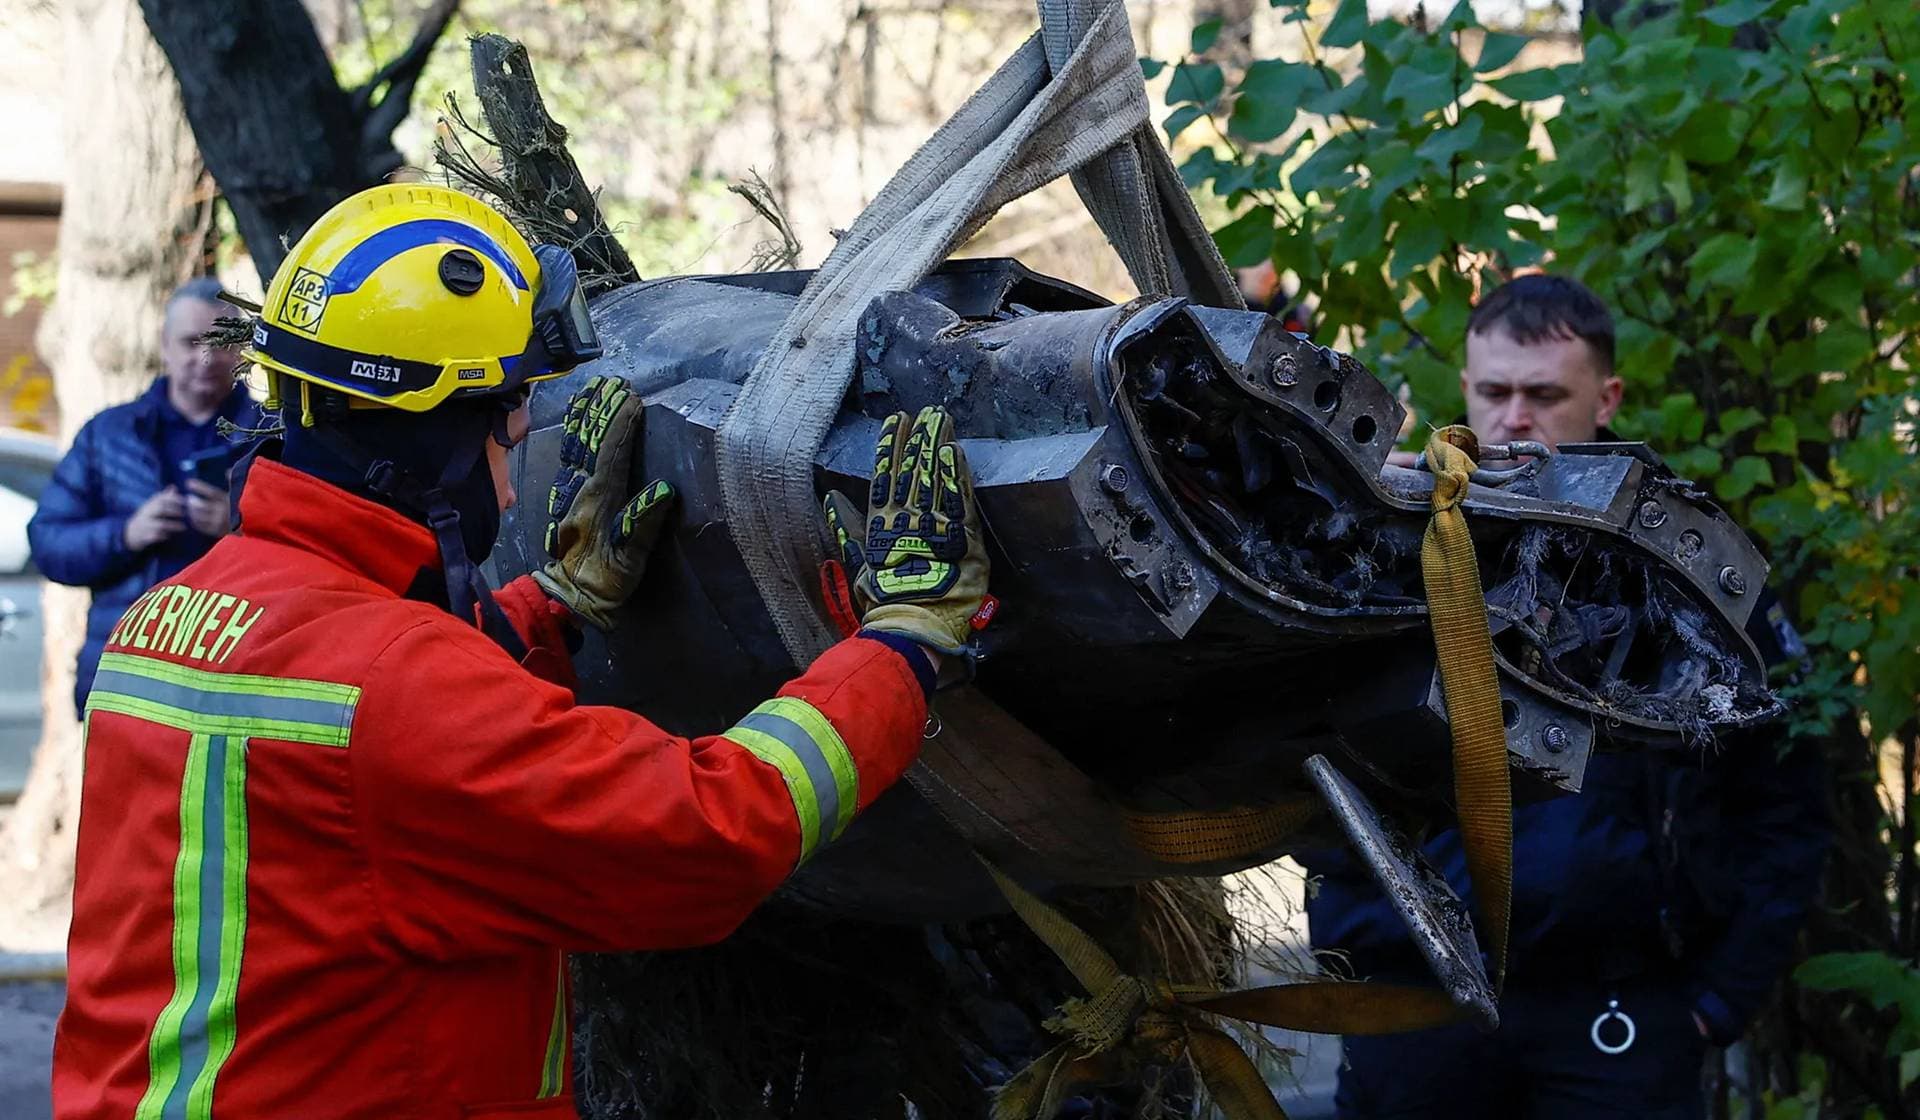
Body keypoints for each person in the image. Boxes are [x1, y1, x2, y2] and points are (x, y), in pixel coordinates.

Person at [51, 185, 991, 1120]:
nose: (512, 466)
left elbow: (376, 765)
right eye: (509, 428)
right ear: (435, 438)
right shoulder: (390, 687)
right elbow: (700, 835)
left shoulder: (173, 616)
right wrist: (903, 645)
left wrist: (548, 607)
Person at [1307, 274, 1827, 1119]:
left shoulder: (1690, 563)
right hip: (1417, 1001)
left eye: (1544, 394)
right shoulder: (1394, 541)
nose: (1516, 418)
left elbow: (1785, 795)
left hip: (1621, 1015)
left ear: (1606, 396)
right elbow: (1305, 744)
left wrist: (1717, 1001)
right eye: (1495, 391)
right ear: (1466, 387)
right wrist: (1353, 935)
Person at [27, 277, 258, 716]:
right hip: (125, 671)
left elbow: (327, 553)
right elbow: (48, 544)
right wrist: (127, 534)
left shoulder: (275, 435)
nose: (205, 357)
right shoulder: (109, 435)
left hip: (238, 672)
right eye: (191, 342)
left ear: (242, 349)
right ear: (164, 345)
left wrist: (239, 526)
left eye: (221, 342)